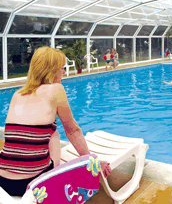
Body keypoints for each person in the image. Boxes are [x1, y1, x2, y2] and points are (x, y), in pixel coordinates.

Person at [0, 47, 112, 196]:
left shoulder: (17, 94)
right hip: (30, 184)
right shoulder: (56, 89)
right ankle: (53, 175)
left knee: (48, 131)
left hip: (3, 182)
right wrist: (93, 162)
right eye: (62, 68)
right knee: (55, 133)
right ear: (51, 70)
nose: (64, 72)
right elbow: (72, 130)